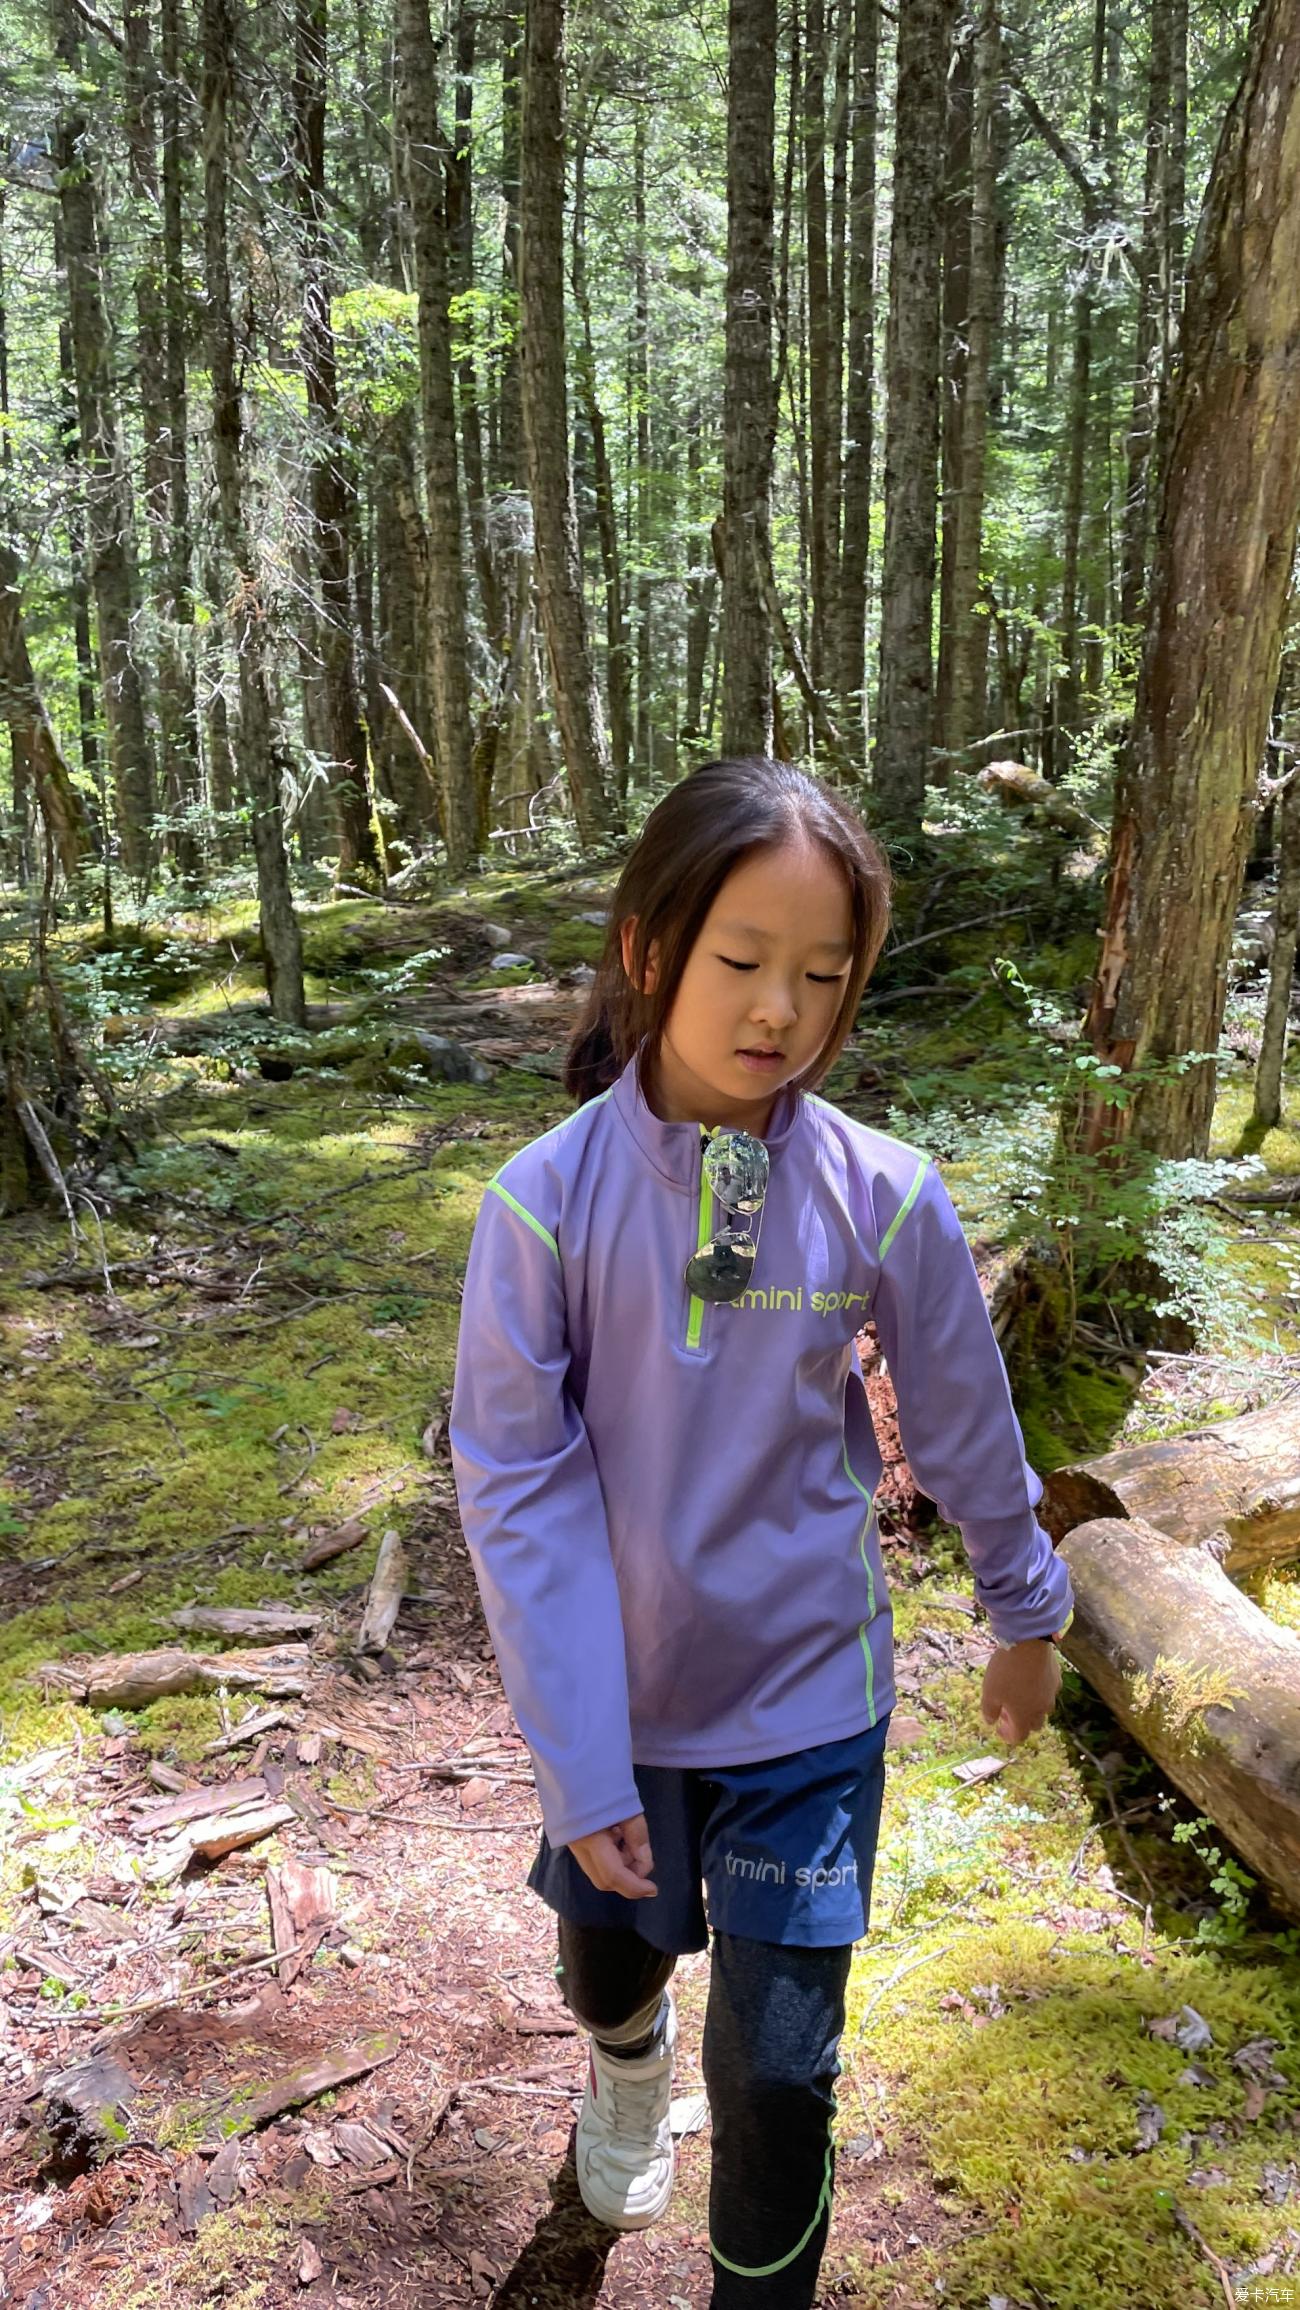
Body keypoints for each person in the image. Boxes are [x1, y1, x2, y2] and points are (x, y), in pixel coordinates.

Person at [449, 756, 1074, 2308]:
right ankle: (622, 2057)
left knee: (782, 2077)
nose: (779, 1010)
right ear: (652, 949)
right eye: (741, 960)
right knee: (611, 1963)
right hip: (626, 1703)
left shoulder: (885, 1196)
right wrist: (583, 1752)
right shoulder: (541, 1207)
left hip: (806, 1700)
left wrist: (1026, 1604)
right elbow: (517, 1488)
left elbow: (966, 1412)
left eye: (821, 972)